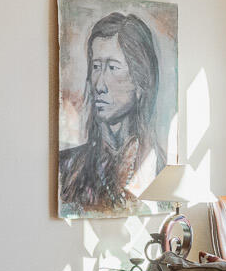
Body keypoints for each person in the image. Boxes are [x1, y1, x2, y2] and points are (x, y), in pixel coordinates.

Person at [59, 11, 167, 215]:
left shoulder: (161, 171)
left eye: (113, 67)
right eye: (96, 67)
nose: (99, 84)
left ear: (140, 80)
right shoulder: (67, 167)